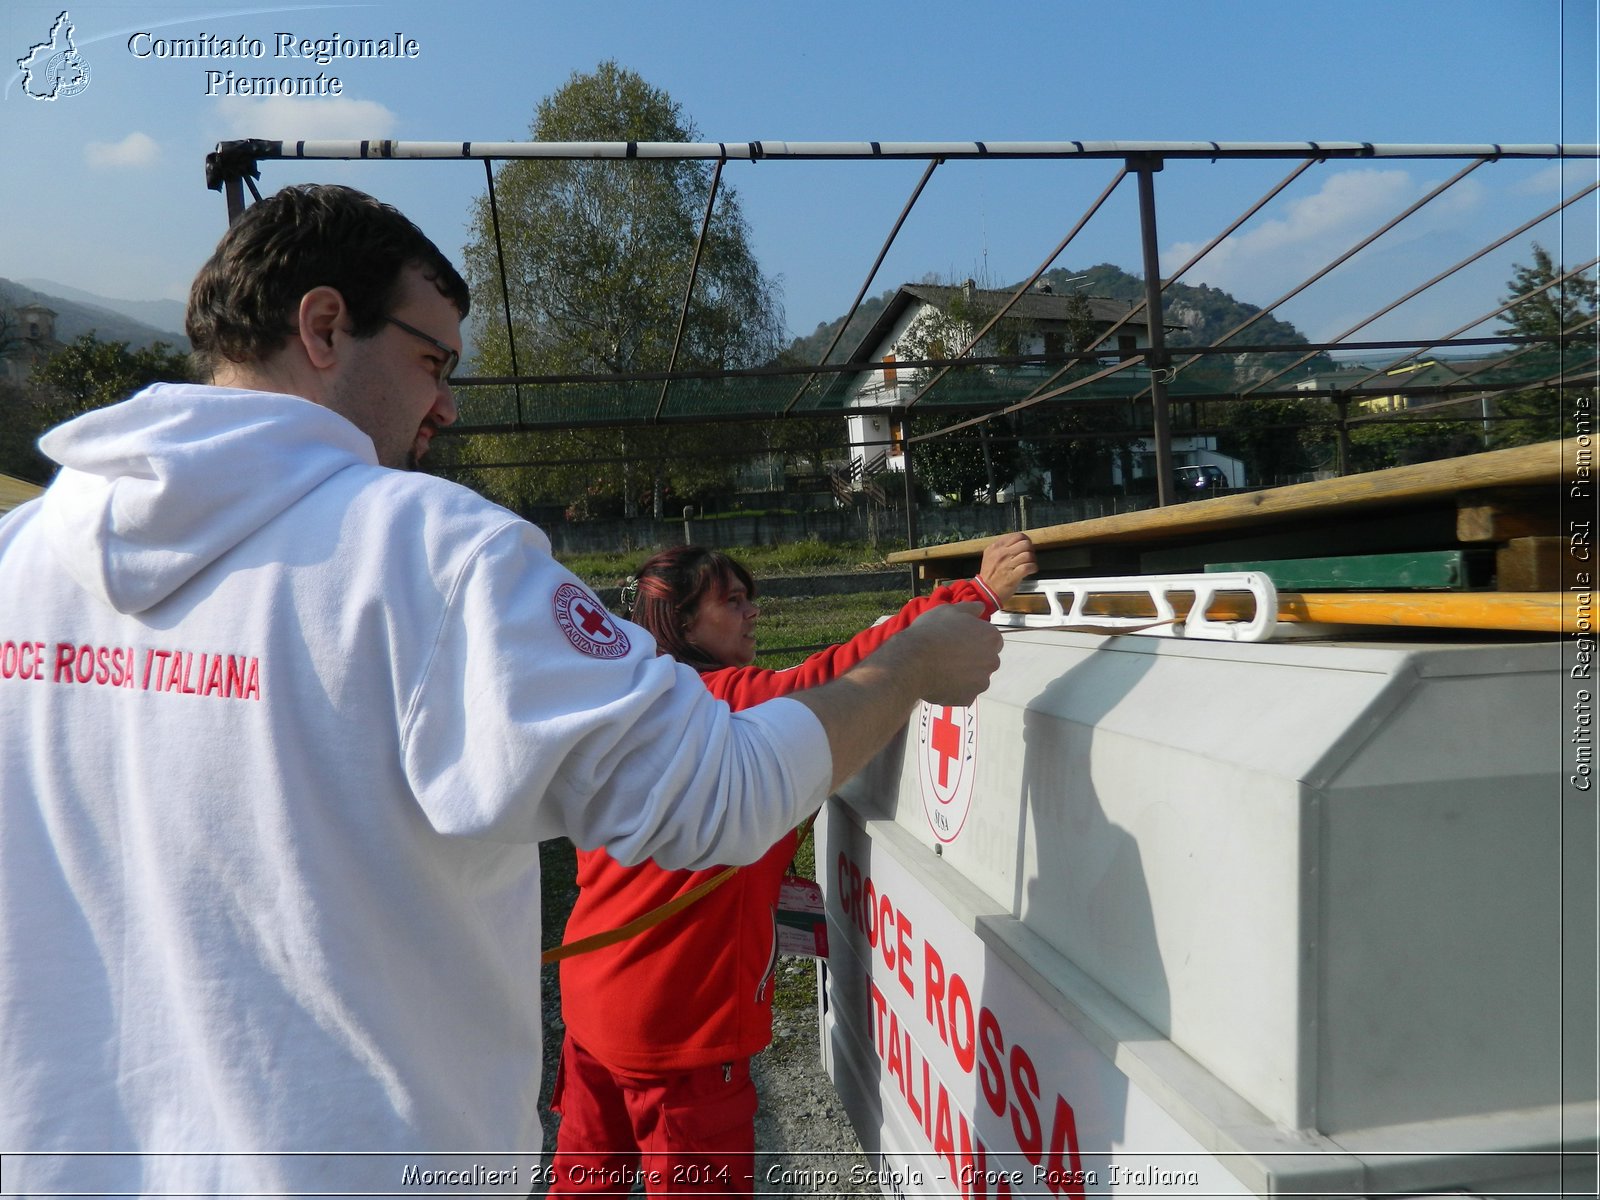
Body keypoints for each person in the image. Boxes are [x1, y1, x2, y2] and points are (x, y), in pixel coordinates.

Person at [0, 183, 1003, 1198]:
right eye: (431, 360)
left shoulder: (20, 560)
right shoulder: (431, 552)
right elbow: (722, 793)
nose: (446, 403)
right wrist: (911, 664)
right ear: (323, 325)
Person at [549, 533, 1036, 1197]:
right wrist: (972, 596)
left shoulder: (626, 698)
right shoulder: (726, 701)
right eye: (733, 601)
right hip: (679, 1028)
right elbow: (841, 676)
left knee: (584, 1186)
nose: (754, 613)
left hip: (591, 1004)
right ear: (684, 622)